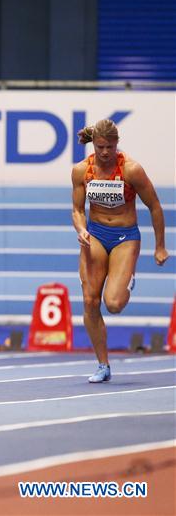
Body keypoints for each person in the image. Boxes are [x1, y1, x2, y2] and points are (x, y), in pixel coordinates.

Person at [71, 119, 168, 383]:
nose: (105, 152)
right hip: (96, 235)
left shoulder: (131, 170)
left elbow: (155, 207)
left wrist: (159, 246)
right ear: (93, 144)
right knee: (90, 301)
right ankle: (103, 364)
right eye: (100, 146)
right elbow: (78, 210)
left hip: (125, 236)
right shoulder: (81, 171)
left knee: (112, 304)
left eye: (110, 147)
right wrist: (81, 229)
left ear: (117, 144)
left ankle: (127, 280)